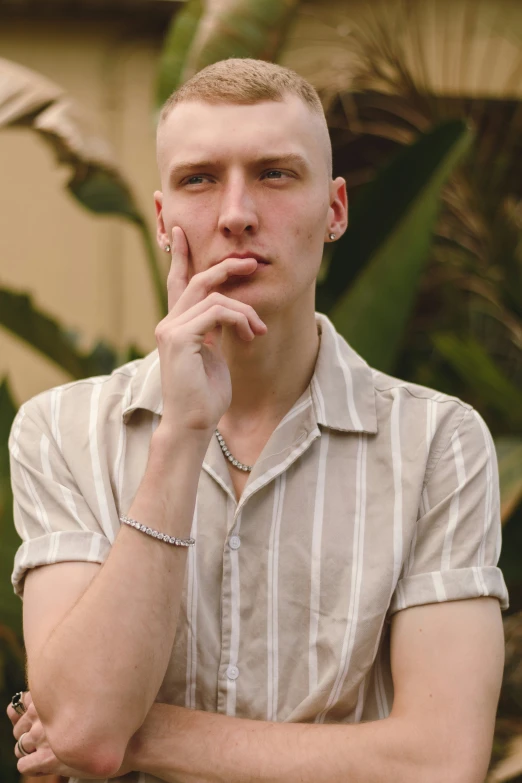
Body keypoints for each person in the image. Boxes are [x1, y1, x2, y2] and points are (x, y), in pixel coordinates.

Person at [7, 58, 508, 783]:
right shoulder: (60, 430)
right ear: (161, 218)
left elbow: (438, 761)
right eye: (199, 179)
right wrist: (179, 434)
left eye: (275, 174)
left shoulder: (437, 443)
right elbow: (84, 724)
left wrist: (135, 734)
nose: (236, 212)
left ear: (334, 210)